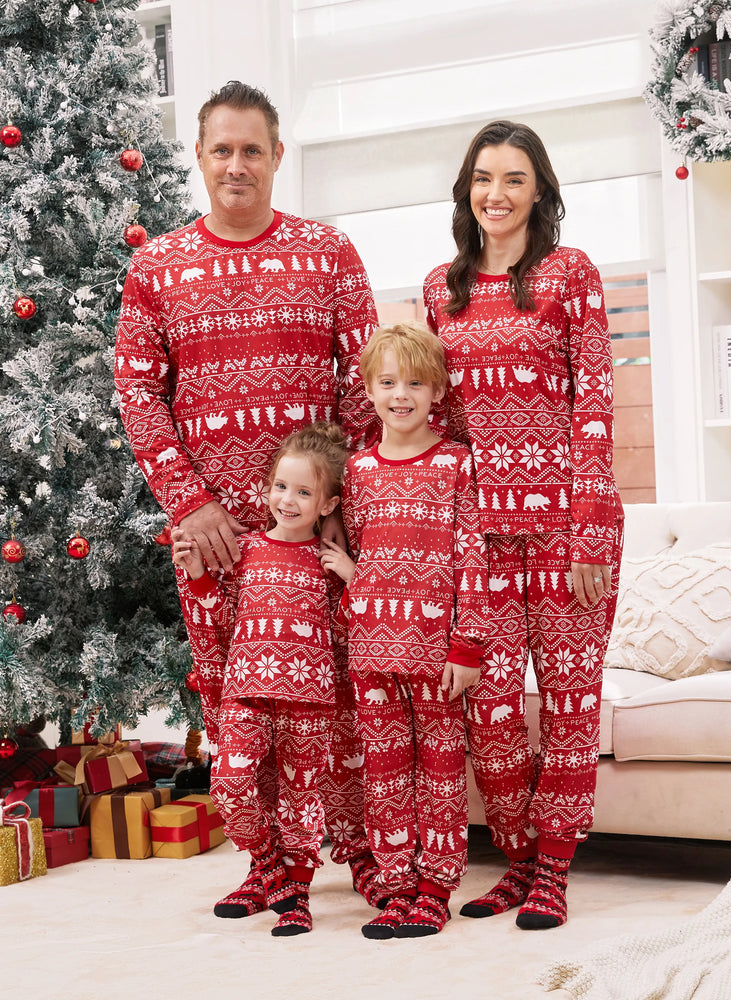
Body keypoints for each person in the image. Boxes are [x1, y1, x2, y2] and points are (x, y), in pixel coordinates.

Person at [114, 81, 383, 915]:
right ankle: (269, 861)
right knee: (236, 703)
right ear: (199, 156)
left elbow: (364, 384)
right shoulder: (156, 267)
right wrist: (189, 501)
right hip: (214, 537)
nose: (237, 164)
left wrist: (344, 511)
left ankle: (364, 852)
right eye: (222, 149)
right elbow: (137, 390)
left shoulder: (328, 252)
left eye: (252, 150)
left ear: (276, 157)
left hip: (312, 538)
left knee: (338, 695)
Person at [423, 121, 624, 930]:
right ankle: (516, 858)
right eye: (483, 178)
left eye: (513, 178)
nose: (496, 194)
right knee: (492, 710)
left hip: (567, 530)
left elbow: (595, 402)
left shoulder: (569, 274)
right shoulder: (440, 289)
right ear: (466, 190)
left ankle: (554, 871)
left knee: (570, 703)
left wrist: (590, 529)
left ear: (539, 190)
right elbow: (442, 422)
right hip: (482, 537)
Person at [320, 322, 489, 938]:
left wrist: (466, 646)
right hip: (371, 650)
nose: (401, 395)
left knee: (440, 773)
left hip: (436, 653)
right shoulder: (358, 472)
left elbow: (473, 558)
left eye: (416, 383)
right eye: (388, 382)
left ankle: (435, 890)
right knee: (384, 773)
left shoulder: (456, 464)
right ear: (368, 389)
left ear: (438, 391)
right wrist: (351, 576)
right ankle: (396, 888)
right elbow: (362, 554)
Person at [172, 423, 348, 936]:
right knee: (229, 784)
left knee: (300, 797)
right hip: (245, 690)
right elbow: (224, 619)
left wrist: (352, 578)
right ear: (266, 487)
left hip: (308, 698)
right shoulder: (245, 550)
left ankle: (296, 894)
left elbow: (347, 630)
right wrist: (198, 574)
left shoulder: (327, 562)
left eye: (304, 492)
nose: (288, 500)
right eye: (281, 487)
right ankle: (269, 868)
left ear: (328, 504)